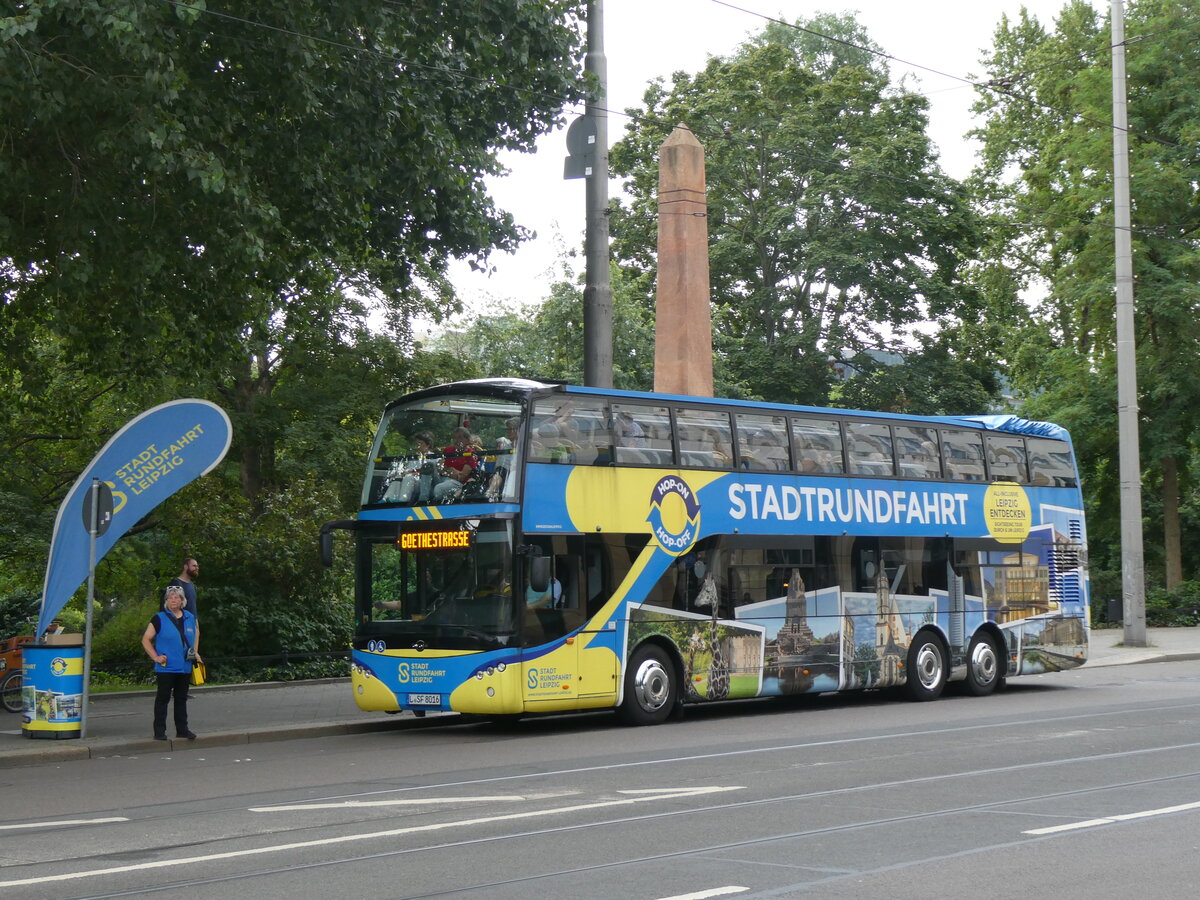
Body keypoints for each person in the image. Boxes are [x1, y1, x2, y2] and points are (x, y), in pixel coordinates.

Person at [141, 584, 201, 741]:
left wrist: (195, 652)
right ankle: (159, 731)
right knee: (163, 699)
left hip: (185, 667)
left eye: (177, 597)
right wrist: (155, 657)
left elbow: (195, 636)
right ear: (166, 601)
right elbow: (146, 639)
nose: (174, 600)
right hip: (166, 667)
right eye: (170, 597)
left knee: (181, 699)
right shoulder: (158, 618)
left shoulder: (190, 617)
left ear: (182, 600)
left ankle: (182, 729)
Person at [435, 426, 478, 502]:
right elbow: (438, 467)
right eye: (455, 438)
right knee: (427, 473)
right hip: (442, 478)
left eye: (460, 438)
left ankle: (437, 509)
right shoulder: (448, 450)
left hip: (457, 484)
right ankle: (422, 501)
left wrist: (445, 469)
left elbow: (460, 477)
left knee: (439, 488)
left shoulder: (470, 454)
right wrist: (451, 470)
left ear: (467, 440)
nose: (456, 440)